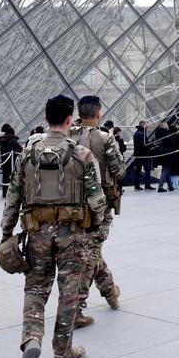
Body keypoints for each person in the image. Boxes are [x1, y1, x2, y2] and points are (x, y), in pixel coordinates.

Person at [0, 95, 107, 358]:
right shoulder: (82, 155)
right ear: (70, 120)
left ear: (46, 119)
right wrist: (96, 229)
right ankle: (62, 351)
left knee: (35, 288)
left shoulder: (28, 153)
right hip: (72, 235)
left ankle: (32, 338)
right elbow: (97, 201)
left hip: (37, 233)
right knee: (69, 293)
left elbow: (13, 195)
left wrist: (6, 231)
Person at [70, 95, 124, 327]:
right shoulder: (105, 138)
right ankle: (78, 307)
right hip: (99, 204)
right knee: (91, 253)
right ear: (98, 113)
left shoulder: (69, 136)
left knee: (91, 249)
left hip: (72, 204)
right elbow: (119, 170)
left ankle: (111, 292)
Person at [0, 124, 23, 198]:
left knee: (5, 176)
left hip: (4, 161)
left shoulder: (1, 141)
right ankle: (12, 192)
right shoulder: (13, 140)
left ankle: (4, 192)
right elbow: (21, 150)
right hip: (12, 162)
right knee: (13, 177)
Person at [152, 121, 175, 191]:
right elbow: (172, 144)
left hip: (161, 154)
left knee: (166, 170)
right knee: (165, 170)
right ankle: (160, 187)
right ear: (166, 126)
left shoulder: (157, 133)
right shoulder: (166, 133)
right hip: (168, 154)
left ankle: (170, 186)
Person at [132, 120, 152, 190]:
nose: (147, 127)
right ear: (143, 125)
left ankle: (137, 185)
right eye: (147, 125)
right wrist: (151, 144)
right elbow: (145, 145)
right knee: (147, 170)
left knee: (138, 170)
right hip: (144, 155)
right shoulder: (141, 134)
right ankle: (147, 185)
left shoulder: (137, 133)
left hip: (138, 154)